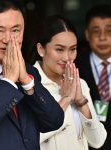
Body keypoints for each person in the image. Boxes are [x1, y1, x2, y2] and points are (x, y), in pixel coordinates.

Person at [0, 1, 64, 150]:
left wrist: (27, 83)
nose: (8, 39)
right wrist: (8, 81)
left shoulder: (28, 71)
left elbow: (54, 121)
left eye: (16, 30)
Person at [29, 15, 107, 150]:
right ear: (41, 49)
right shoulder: (28, 84)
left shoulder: (80, 84)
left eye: (72, 49)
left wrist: (81, 101)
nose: (67, 57)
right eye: (59, 49)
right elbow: (27, 138)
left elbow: (97, 141)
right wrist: (65, 100)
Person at [75, 4, 111, 150]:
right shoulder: (73, 66)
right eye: (96, 31)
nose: (102, 37)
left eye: (109, 31)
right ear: (87, 35)